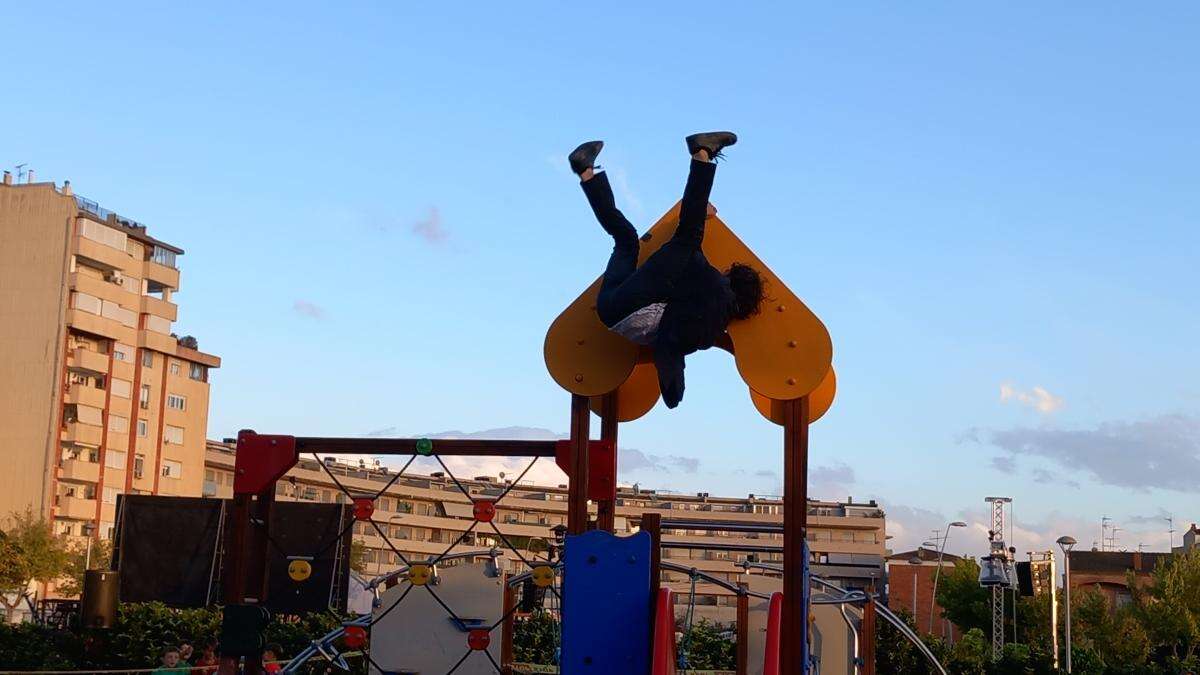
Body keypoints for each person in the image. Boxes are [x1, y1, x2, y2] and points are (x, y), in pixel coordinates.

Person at [569, 132, 765, 408]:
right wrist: (673, 388)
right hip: (610, 312)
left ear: (731, 281)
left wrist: (701, 217)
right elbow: (672, 343)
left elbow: (692, 257)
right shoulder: (707, 324)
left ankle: (703, 154)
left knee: (689, 235)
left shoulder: (718, 295)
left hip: (630, 305)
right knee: (626, 240)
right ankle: (587, 171)